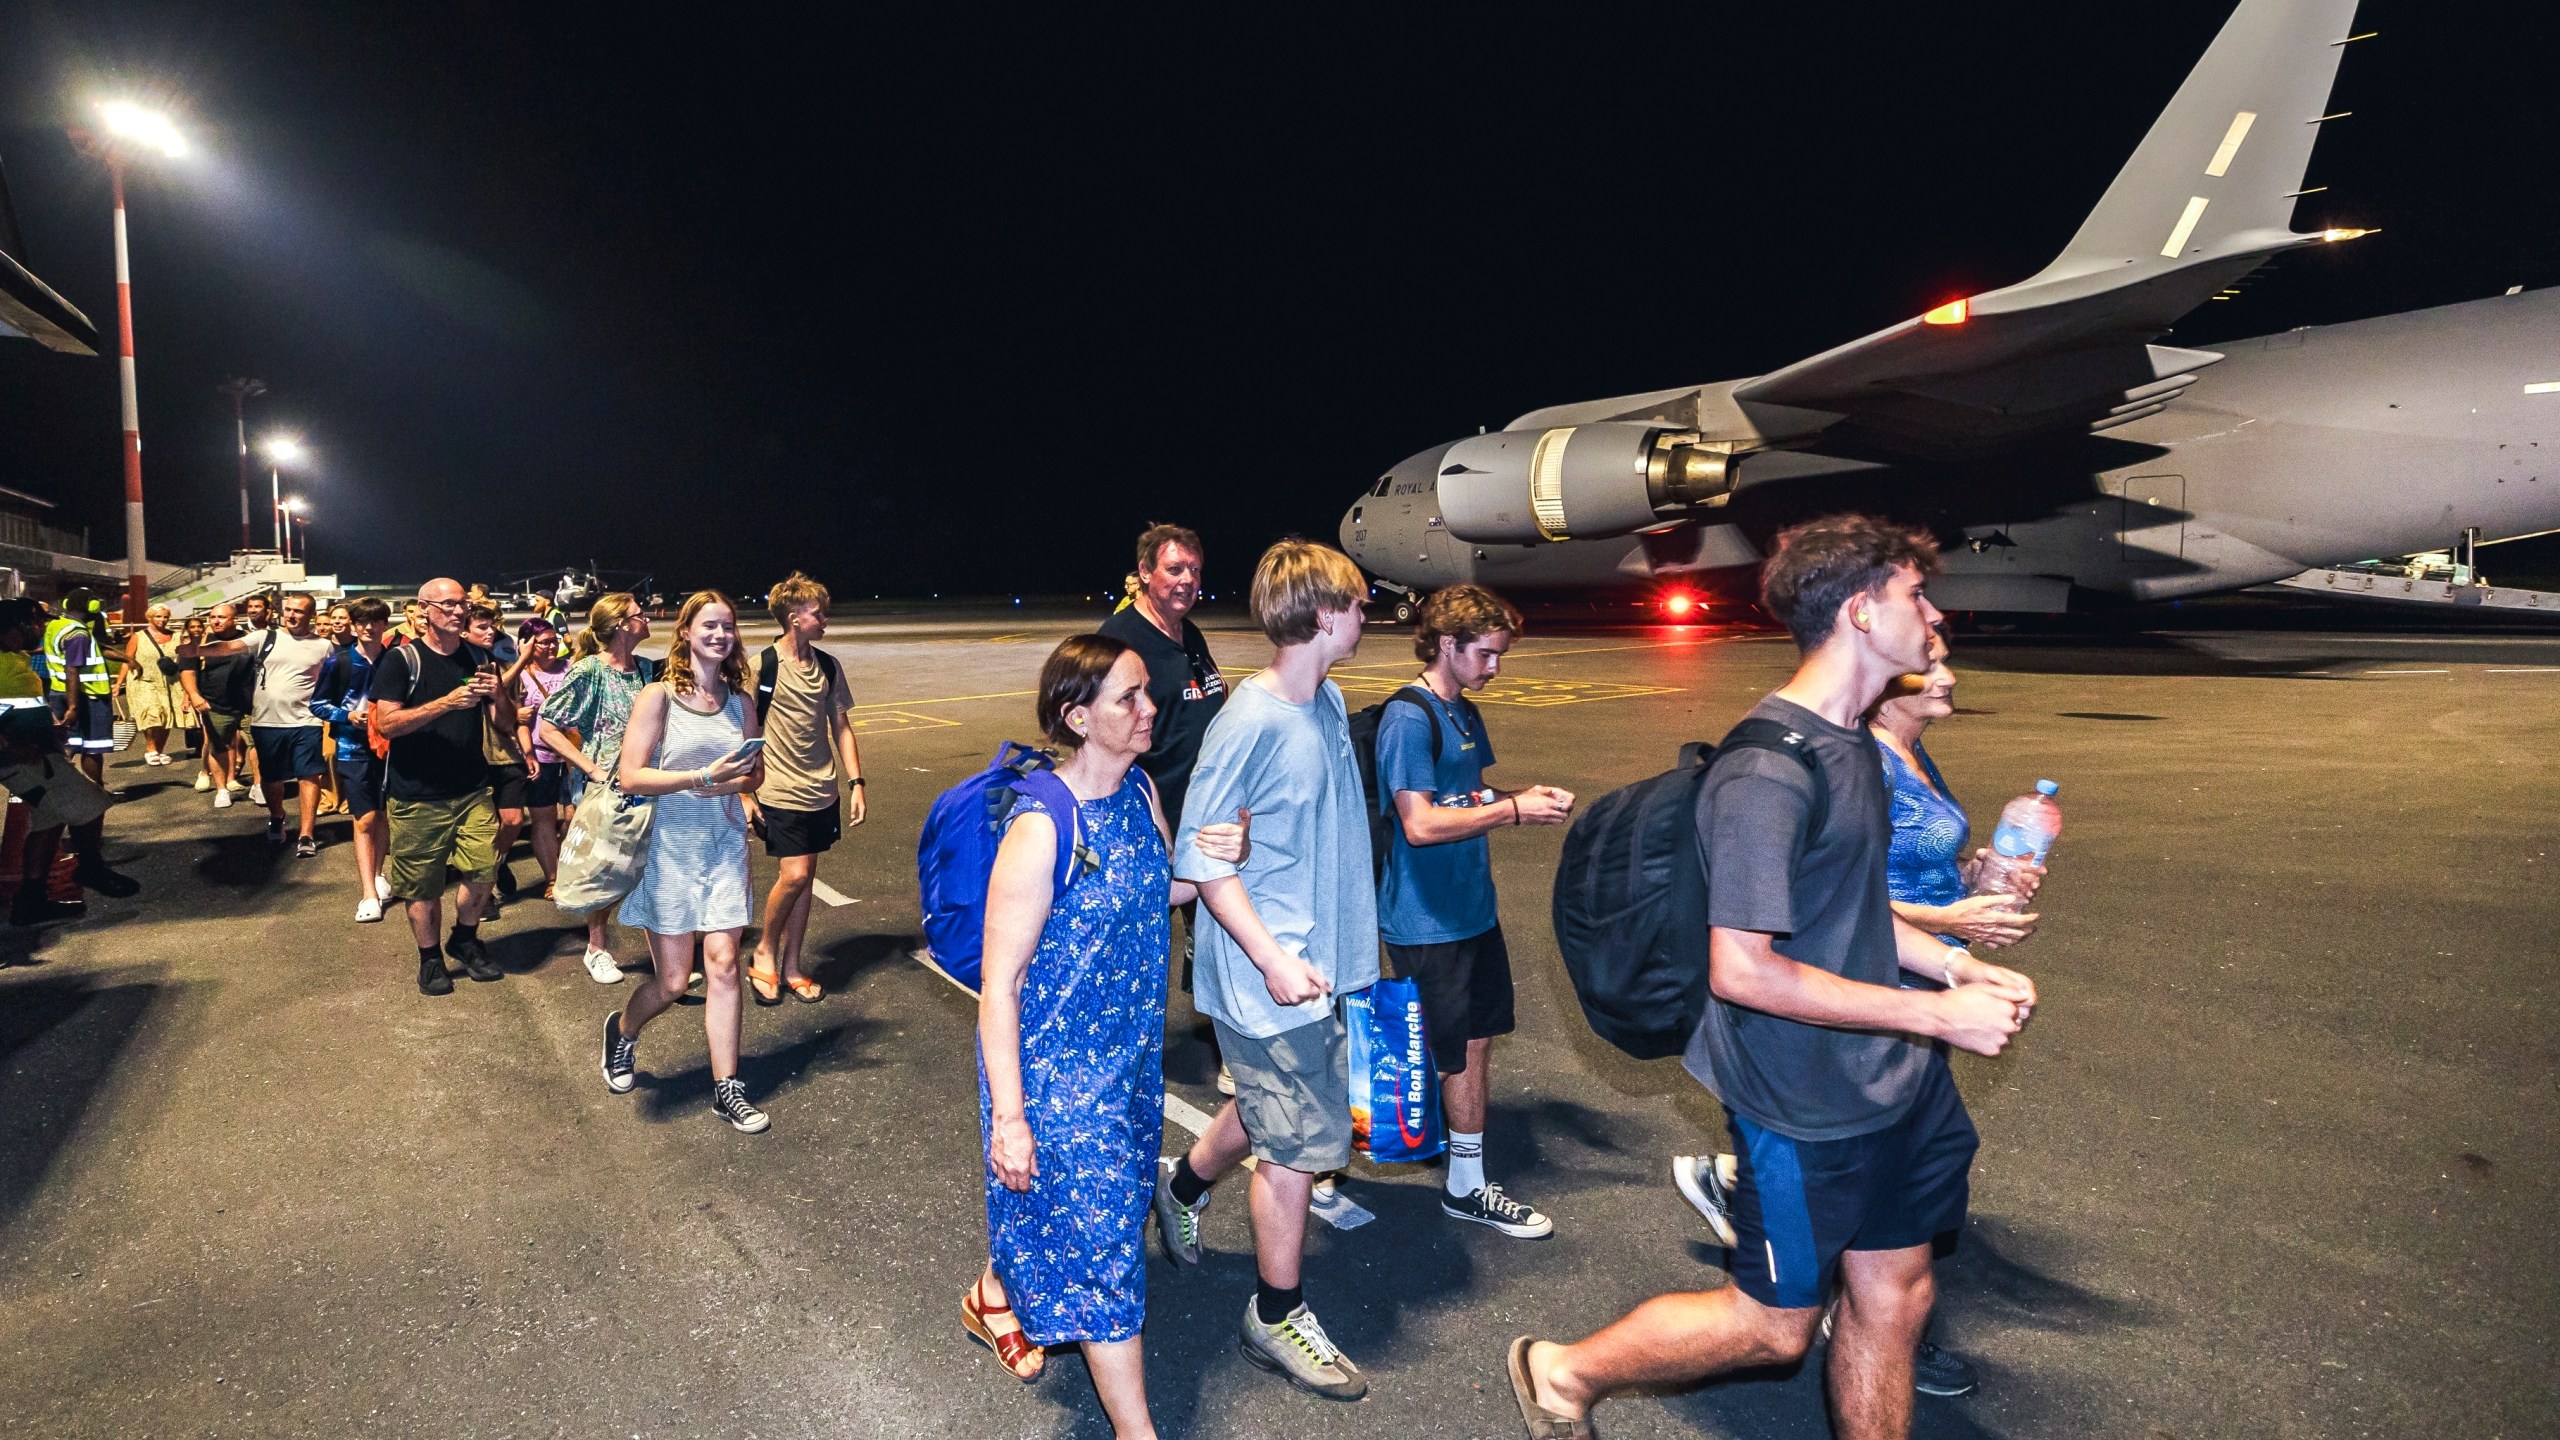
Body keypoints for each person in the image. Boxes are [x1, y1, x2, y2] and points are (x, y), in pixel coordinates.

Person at [1506, 515, 2040, 1440]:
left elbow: (1849, 911)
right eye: (1917, 594)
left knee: (1897, 1292)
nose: (1934, 612)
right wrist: (1944, 1020)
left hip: (1897, 1081)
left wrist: (1953, 965)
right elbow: (1743, 971)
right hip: (1801, 1098)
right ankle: (1562, 1371)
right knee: (1773, 1326)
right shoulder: (1769, 769)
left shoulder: (1856, 744)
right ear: (1864, 613)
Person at [963, 634, 1248, 1431]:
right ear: (1078, 717)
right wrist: (1012, 1120)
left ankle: (993, 1293)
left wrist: (1226, 857)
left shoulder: (1141, 794)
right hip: (1052, 1080)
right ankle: (1137, 1429)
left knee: (1096, 1216)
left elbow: (1157, 893)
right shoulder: (1041, 830)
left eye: (1146, 693)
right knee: (1107, 1257)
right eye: (1128, 698)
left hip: (1125, 1066)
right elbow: (1000, 986)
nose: (1150, 708)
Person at [1157, 539, 1379, 1402]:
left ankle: (1180, 1186)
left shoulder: (1325, 700)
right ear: (1322, 615)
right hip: (1270, 976)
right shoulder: (1247, 724)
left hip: (1315, 964)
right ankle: (1275, 1314)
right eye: (1358, 604)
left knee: (1265, 1111)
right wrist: (1271, 957)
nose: (1367, 615)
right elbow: (1204, 865)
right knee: (1294, 1149)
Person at [1375, 584, 1576, 1239]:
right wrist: (1512, 811)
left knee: (1474, 1041)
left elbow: (1467, 795)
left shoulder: (1461, 711)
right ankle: (1314, 1163)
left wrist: (1517, 795)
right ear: (1446, 645)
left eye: (1500, 657)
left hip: (1472, 909)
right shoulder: (1411, 717)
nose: (1495, 668)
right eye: (1486, 655)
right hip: (1426, 917)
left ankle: (1465, 1180)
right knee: (1438, 1052)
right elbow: (1421, 823)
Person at [596, 591, 767, 1133]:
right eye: (709, 625)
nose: (720, 634)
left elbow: (754, 773)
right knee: (673, 983)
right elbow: (630, 776)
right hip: (670, 851)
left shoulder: (741, 702)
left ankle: (727, 1089)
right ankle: (622, 1032)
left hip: (723, 848)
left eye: (729, 626)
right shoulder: (658, 697)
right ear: (687, 633)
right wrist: (703, 778)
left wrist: (742, 778)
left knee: (722, 965)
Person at [1095, 524, 1230, 1081]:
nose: (1187, 581)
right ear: (1146, 572)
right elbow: (1100, 735)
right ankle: (1108, 1058)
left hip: (1204, 820)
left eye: (1195, 570)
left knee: (1219, 942)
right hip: (1152, 822)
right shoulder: (1121, 641)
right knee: (1136, 948)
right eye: (1175, 569)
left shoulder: (1188, 634)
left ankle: (1230, 1054)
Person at [369, 578, 506, 996]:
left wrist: (498, 695)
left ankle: (464, 938)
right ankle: (430, 959)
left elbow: (501, 722)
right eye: (447, 605)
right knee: (422, 885)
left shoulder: (478, 655)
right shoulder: (401, 660)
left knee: (484, 869)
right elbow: (385, 723)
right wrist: (447, 701)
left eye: (462, 604)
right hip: (417, 794)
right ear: (424, 609)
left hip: (472, 788)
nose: (458, 611)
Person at [746, 572, 864, 1004]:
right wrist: (743, 792)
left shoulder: (828, 666)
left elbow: (841, 727)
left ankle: (792, 964)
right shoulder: (762, 667)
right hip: (778, 790)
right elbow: (741, 733)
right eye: (818, 613)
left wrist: (856, 782)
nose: (825, 620)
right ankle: (764, 951)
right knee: (793, 876)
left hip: (822, 790)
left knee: (806, 878)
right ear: (794, 618)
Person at [536, 592, 657, 985]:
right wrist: (591, 769)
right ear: (622, 624)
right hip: (609, 792)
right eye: (640, 614)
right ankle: (596, 947)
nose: (648, 617)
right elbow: (548, 726)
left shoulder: (647, 670)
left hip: (649, 785)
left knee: (652, 871)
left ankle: (663, 959)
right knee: (604, 869)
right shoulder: (590, 670)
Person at [0, 598, 139, 925]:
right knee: (90, 802)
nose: (39, 629)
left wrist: (48, 727)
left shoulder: (16, 658)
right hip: (21, 759)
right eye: (33, 623)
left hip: (40, 751)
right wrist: (8, 744)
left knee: (47, 821)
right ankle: (90, 868)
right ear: (12, 629)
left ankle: (30, 903)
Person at [185, 593, 337, 856]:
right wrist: (194, 651)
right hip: (267, 721)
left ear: (311, 615)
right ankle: (277, 816)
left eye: (298, 611)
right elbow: (230, 647)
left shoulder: (324, 646)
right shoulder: (266, 637)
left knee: (309, 775)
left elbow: (331, 681)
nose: (290, 615)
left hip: (306, 721)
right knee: (272, 779)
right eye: (287, 610)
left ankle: (306, 834)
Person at [312, 597, 394, 921]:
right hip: (351, 748)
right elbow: (317, 704)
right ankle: (368, 895)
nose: (369, 627)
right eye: (362, 622)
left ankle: (378, 873)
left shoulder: (395, 659)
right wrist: (347, 715)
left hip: (390, 748)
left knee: (384, 814)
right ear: (353, 624)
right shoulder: (339, 662)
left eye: (376, 621)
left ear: (386, 624)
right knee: (364, 819)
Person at [466, 604, 532, 905]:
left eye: (492, 625)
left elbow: (512, 715)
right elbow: (482, 689)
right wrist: (524, 661)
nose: (491, 631)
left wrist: (527, 750)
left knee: (513, 820)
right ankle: (485, 889)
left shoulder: (502, 665)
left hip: (505, 752)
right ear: (464, 631)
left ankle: (496, 863)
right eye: (482, 626)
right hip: (474, 756)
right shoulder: (458, 665)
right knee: (483, 825)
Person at [512, 617, 573, 898]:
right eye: (544, 642)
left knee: (575, 818)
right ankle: (553, 878)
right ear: (527, 645)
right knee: (544, 818)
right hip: (542, 755)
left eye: (554, 641)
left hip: (575, 756)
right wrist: (527, 754)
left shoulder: (571, 669)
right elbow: (517, 720)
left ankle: (570, 866)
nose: (552, 647)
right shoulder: (521, 676)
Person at [178, 603, 257, 809]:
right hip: (215, 703)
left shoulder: (250, 640)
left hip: (251, 704)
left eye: (221, 617)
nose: (215, 621)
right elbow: (188, 672)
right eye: (212, 617)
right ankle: (222, 790)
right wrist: (194, 695)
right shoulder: (199, 643)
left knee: (259, 745)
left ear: (234, 619)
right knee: (218, 746)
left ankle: (259, 785)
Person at [41, 590, 119, 784]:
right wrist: (73, 706)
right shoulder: (78, 633)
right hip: (86, 695)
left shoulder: (56, 625)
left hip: (60, 692)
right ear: (92, 606)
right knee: (92, 746)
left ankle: (58, 790)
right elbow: (72, 669)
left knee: (67, 743)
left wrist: (128, 659)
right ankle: (94, 793)